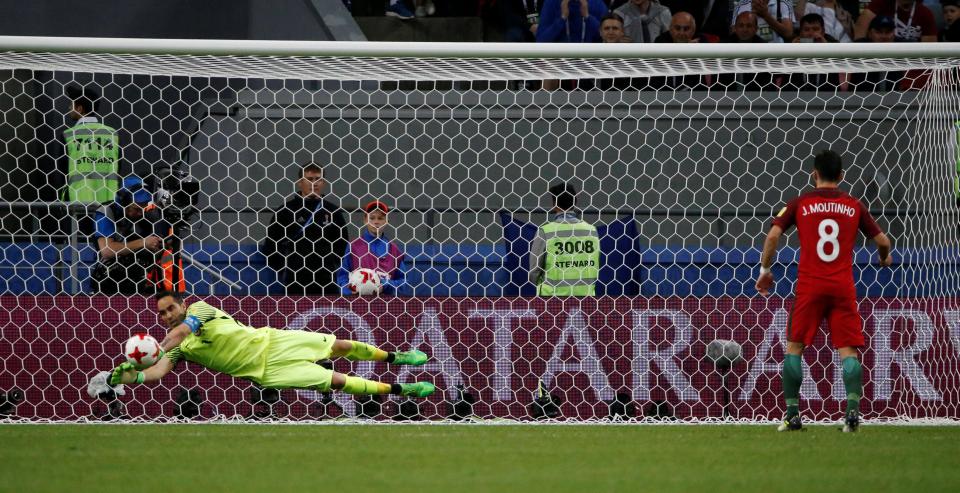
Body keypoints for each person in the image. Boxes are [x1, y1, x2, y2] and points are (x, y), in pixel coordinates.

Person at [755, 149, 892, 433]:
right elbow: (883, 240)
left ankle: (792, 415)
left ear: (814, 174)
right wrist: (883, 257)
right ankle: (852, 414)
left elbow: (772, 236)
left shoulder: (800, 202)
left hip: (810, 287)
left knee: (795, 348)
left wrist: (765, 271)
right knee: (848, 352)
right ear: (841, 176)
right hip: (842, 287)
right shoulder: (854, 205)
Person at [100, 291, 436, 401]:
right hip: (266, 371)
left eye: (170, 308)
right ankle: (403, 388)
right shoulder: (177, 350)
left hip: (275, 341)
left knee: (341, 345)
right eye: (161, 313)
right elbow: (159, 370)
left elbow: (181, 332)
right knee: (336, 382)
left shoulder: (199, 311)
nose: (167, 315)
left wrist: (155, 347)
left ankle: (398, 356)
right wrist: (132, 377)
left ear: (182, 306)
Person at [261, 163, 349, 296]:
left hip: (326, 280)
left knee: (328, 316)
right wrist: (284, 268)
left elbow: (342, 246)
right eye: (309, 179)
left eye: (318, 179)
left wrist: (331, 266)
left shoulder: (333, 211)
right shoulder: (286, 211)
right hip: (295, 279)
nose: (314, 183)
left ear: (323, 182)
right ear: (300, 183)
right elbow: (271, 245)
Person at [90, 176, 168, 295]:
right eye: (135, 208)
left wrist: (158, 245)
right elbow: (107, 251)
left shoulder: (145, 216)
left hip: (139, 278)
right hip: (108, 278)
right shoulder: (106, 211)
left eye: (143, 208)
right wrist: (144, 243)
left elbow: (158, 251)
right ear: (123, 202)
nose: (140, 212)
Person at [528, 183, 601, 296]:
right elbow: (595, 264)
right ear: (575, 202)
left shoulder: (545, 232)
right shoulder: (591, 231)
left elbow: (534, 270)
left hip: (551, 301)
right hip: (586, 299)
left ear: (554, 204)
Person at [337, 200, 410, 296]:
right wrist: (349, 291)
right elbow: (342, 276)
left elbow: (403, 282)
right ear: (365, 220)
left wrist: (385, 285)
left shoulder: (394, 250)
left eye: (380, 218)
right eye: (372, 218)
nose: (376, 222)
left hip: (387, 305)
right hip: (359, 302)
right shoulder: (354, 246)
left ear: (387, 221)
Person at [63, 85, 120, 204]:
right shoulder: (112, 135)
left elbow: (61, 172)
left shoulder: (69, 136)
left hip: (78, 203)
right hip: (108, 204)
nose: (69, 107)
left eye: (71, 104)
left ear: (79, 109)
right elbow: (118, 168)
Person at [854, 0, 938, 41]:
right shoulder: (879, 3)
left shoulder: (925, 13)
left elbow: (929, 48)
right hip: (877, 58)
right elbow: (859, 35)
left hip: (911, 62)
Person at [536, 0, 608, 43]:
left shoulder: (597, 4)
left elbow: (608, 38)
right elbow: (541, 40)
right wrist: (562, 18)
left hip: (591, 60)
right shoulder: (552, 3)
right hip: (559, 60)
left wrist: (588, 17)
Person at [731, 0, 797, 42]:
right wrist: (750, 18)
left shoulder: (783, 3)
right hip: (749, 51)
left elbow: (788, 33)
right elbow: (734, 33)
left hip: (776, 52)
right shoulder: (741, 5)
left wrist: (765, 15)